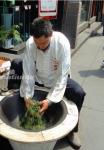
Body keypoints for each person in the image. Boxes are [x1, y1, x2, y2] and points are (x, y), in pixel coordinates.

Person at [9, 17, 86, 149]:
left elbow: (62, 75)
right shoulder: (30, 43)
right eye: (37, 43)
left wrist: (49, 101)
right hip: (38, 77)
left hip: (56, 79)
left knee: (78, 92)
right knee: (16, 63)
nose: (40, 47)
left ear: (50, 35)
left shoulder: (62, 43)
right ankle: (15, 99)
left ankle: (72, 132)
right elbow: (28, 70)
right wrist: (27, 96)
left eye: (44, 44)